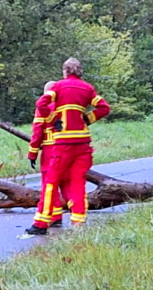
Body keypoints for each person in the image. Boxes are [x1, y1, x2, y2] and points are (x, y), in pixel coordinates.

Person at [25, 58, 111, 235]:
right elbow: (104, 107)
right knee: (77, 183)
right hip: (83, 144)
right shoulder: (87, 88)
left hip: (62, 144)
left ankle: (40, 223)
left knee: (51, 182)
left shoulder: (59, 87)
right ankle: (78, 222)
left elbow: (41, 104)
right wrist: (86, 119)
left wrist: (55, 119)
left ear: (65, 71)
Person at [28, 81, 70, 228]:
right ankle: (59, 215)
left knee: (49, 185)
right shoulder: (66, 107)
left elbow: (37, 131)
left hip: (50, 151)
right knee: (65, 184)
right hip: (68, 150)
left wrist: (32, 153)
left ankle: (45, 220)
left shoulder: (43, 108)